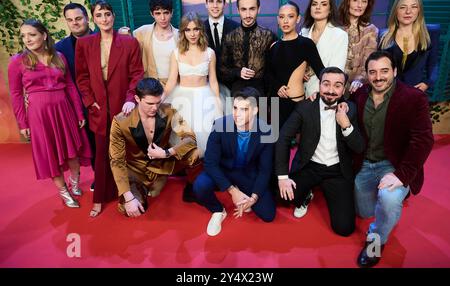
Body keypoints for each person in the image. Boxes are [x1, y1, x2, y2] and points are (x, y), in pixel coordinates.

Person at [352, 50, 434, 267]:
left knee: (388, 202)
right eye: (373, 72)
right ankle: (394, 203)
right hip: (365, 163)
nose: (378, 77)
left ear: (395, 71)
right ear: (367, 74)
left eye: (384, 71)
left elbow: (423, 141)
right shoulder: (360, 95)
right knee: (363, 211)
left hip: (395, 165)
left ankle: (376, 242)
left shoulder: (414, 98)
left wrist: (401, 176)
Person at [8, 19, 92, 208]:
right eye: (23, 36)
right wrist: (23, 123)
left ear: (44, 35)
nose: (27, 39)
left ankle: (75, 184)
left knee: (73, 152)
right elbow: (16, 95)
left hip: (64, 111)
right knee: (50, 153)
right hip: (39, 116)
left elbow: (70, 86)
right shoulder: (17, 62)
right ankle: (64, 193)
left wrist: (79, 113)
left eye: (32, 34)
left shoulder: (59, 57)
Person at [274, 67, 364, 237]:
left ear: (344, 89)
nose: (331, 90)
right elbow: (283, 138)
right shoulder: (305, 107)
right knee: (281, 195)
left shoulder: (350, 108)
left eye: (337, 86)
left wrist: (346, 125)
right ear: (319, 85)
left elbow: (359, 147)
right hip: (309, 166)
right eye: (326, 84)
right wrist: (283, 177)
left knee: (344, 229)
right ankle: (307, 194)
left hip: (337, 171)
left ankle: (324, 191)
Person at [76, 0, 144, 217]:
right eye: (99, 15)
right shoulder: (85, 44)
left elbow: (137, 74)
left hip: (123, 107)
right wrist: (89, 101)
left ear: (113, 16)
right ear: (93, 19)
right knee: (102, 155)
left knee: (128, 152)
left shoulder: (129, 42)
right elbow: (82, 77)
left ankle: (129, 192)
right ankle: (99, 199)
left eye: (107, 14)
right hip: (98, 108)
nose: (104, 19)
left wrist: (131, 98)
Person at [109, 78, 200, 218]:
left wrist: (166, 153)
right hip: (136, 171)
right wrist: (128, 198)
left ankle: (193, 185)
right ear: (137, 99)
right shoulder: (120, 122)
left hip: (162, 163)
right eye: (150, 103)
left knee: (194, 153)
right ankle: (142, 190)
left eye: (158, 103)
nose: (155, 108)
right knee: (130, 209)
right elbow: (116, 161)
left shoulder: (169, 111)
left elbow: (190, 138)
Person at [193, 87, 276, 236]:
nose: (237, 114)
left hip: (247, 172)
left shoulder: (266, 130)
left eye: (244, 109)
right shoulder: (220, 125)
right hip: (223, 169)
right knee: (200, 185)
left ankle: (245, 192)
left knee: (268, 215)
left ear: (255, 110)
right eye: (235, 108)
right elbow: (210, 163)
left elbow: (265, 170)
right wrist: (233, 191)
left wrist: (254, 197)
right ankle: (218, 210)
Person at [164, 12, 223, 158]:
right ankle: (188, 171)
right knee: (183, 136)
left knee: (206, 136)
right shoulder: (176, 53)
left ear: (201, 30)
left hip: (205, 96)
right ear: (183, 32)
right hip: (182, 97)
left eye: (196, 29)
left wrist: (217, 102)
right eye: (188, 30)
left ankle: (203, 171)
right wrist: (162, 97)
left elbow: (213, 80)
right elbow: (172, 80)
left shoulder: (210, 53)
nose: (192, 34)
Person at [55, 2, 96, 192]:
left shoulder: (104, 38)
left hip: (107, 101)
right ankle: (100, 176)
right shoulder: (59, 48)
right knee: (92, 143)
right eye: (70, 20)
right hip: (79, 106)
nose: (75, 23)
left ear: (87, 18)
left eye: (78, 18)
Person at [268, 1, 324, 129]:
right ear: (278, 19)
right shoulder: (274, 46)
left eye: (290, 16)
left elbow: (321, 70)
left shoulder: (306, 44)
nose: (285, 21)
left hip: (296, 102)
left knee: (295, 143)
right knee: (275, 142)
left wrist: (338, 91)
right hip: (276, 103)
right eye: (282, 17)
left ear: (298, 19)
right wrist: (278, 86)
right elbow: (268, 74)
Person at [220, 0, 277, 96]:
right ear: (238, 10)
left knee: (272, 114)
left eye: (252, 9)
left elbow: (276, 71)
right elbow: (222, 70)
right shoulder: (229, 37)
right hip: (236, 93)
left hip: (263, 93)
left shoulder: (269, 36)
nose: (247, 15)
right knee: (232, 113)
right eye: (243, 9)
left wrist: (272, 105)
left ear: (258, 9)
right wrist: (238, 72)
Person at [379, 0, 439, 92]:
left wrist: (427, 83)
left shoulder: (430, 33)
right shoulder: (383, 36)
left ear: (419, 10)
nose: (408, 11)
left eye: (414, 7)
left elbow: (433, 64)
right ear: (396, 10)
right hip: (388, 93)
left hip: (415, 93)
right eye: (403, 7)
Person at [301, 0, 349, 97]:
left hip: (324, 92)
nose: (318, 7)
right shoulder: (303, 32)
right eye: (314, 4)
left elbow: (337, 70)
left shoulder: (339, 35)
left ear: (330, 9)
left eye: (323, 4)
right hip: (300, 90)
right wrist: (300, 73)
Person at [203, 0, 240, 114]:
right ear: (206, 4)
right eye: (211, 1)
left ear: (224, 4)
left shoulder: (236, 28)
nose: (215, 5)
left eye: (219, 1)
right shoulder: (199, 29)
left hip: (232, 86)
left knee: (231, 124)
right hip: (207, 87)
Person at [338, 0, 378, 94]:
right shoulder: (335, 27)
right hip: (334, 82)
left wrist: (359, 79)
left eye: (364, 1)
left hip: (357, 86)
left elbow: (368, 61)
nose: (359, 5)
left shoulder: (371, 30)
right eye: (355, 0)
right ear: (348, 2)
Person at [132, 0, 179, 85]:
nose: (162, 18)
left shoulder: (180, 35)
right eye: (158, 13)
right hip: (151, 86)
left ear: (172, 12)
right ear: (151, 14)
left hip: (175, 84)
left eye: (166, 13)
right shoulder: (141, 32)